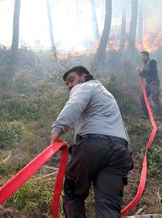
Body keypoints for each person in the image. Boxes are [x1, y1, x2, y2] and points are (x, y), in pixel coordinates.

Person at [50, 66, 133, 218]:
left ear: (85, 76)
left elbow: (74, 105)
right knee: (109, 205)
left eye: (71, 80)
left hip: (93, 146)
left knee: (73, 194)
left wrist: (58, 130)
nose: (69, 86)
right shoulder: (106, 94)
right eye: (67, 84)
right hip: (120, 152)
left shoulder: (85, 86)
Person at [138, 51, 161, 119]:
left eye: (142, 56)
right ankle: (146, 114)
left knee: (155, 97)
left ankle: (158, 115)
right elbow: (145, 75)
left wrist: (143, 71)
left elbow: (152, 71)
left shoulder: (152, 62)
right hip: (149, 84)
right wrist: (140, 73)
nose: (141, 58)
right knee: (142, 97)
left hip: (154, 82)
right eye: (141, 56)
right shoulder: (145, 65)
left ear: (146, 56)